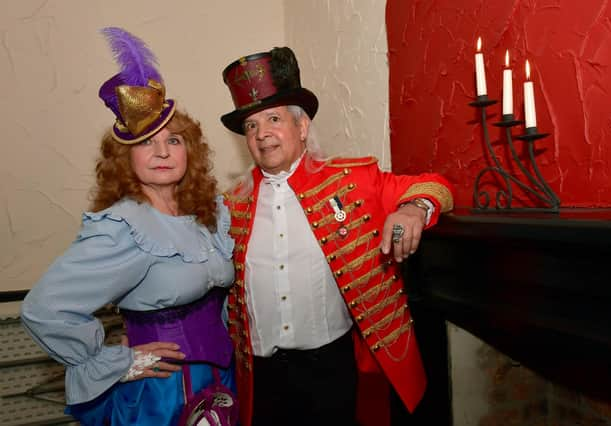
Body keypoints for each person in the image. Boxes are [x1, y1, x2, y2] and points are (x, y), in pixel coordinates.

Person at [219, 47, 455, 426]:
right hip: (261, 380)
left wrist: (413, 209)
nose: (262, 135)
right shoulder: (231, 206)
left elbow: (436, 185)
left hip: (331, 371)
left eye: (274, 119)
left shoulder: (353, 180)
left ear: (302, 126)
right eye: (251, 126)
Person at [20, 27, 237, 426]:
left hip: (223, 382)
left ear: (190, 150)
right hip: (163, 392)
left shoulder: (210, 213)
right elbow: (44, 309)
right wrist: (115, 360)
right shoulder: (122, 226)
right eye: (145, 142)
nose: (161, 152)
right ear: (125, 158)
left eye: (174, 141)